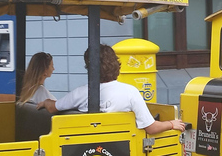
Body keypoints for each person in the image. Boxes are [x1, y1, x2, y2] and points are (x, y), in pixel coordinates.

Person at [38, 44, 185, 135]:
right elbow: (151, 128)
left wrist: (45, 102)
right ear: (116, 64)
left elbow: (53, 108)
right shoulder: (130, 92)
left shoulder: (81, 92)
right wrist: (172, 123)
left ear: (90, 68)